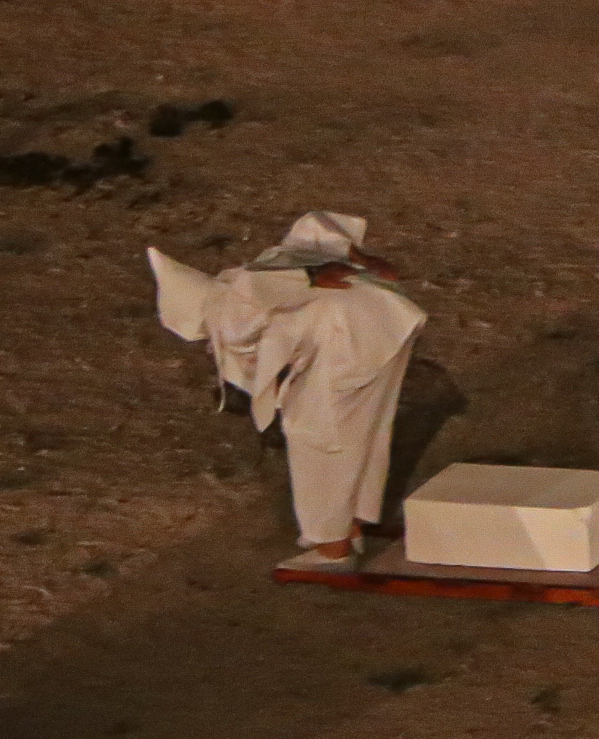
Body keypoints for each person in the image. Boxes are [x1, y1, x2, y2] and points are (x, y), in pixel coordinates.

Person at [148, 212, 425, 569]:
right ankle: (350, 524)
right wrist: (357, 258)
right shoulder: (263, 263)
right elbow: (315, 226)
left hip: (346, 344)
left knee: (317, 435)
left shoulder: (225, 307)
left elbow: (247, 313)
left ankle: (332, 548)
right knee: (363, 429)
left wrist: (308, 277)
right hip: (389, 322)